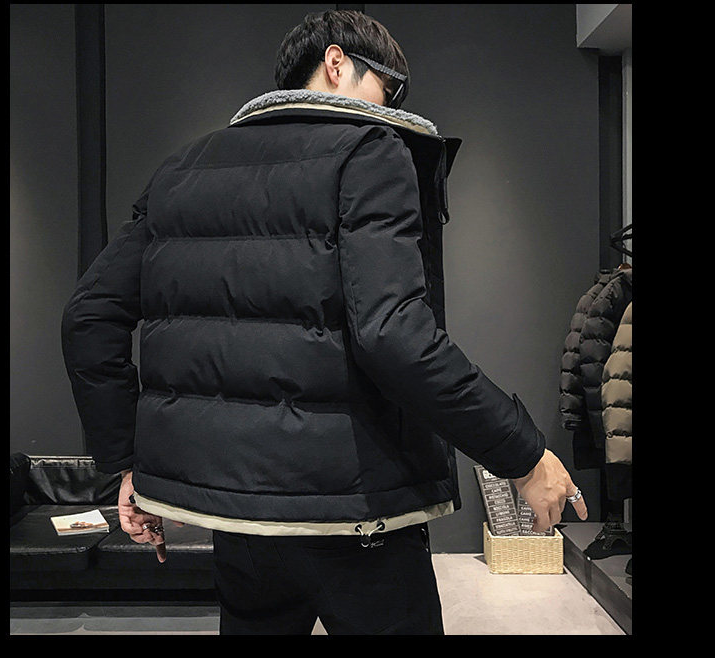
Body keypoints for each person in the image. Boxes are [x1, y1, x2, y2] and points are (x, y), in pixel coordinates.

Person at [62, 9, 587, 635]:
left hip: (239, 526)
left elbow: (88, 317)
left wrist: (129, 464)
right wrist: (524, 456)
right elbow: (394, 334)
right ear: (337, 63)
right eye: (388, 88)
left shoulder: (181, 169)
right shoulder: (370, 152)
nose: (390, 108)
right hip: (354, 513)